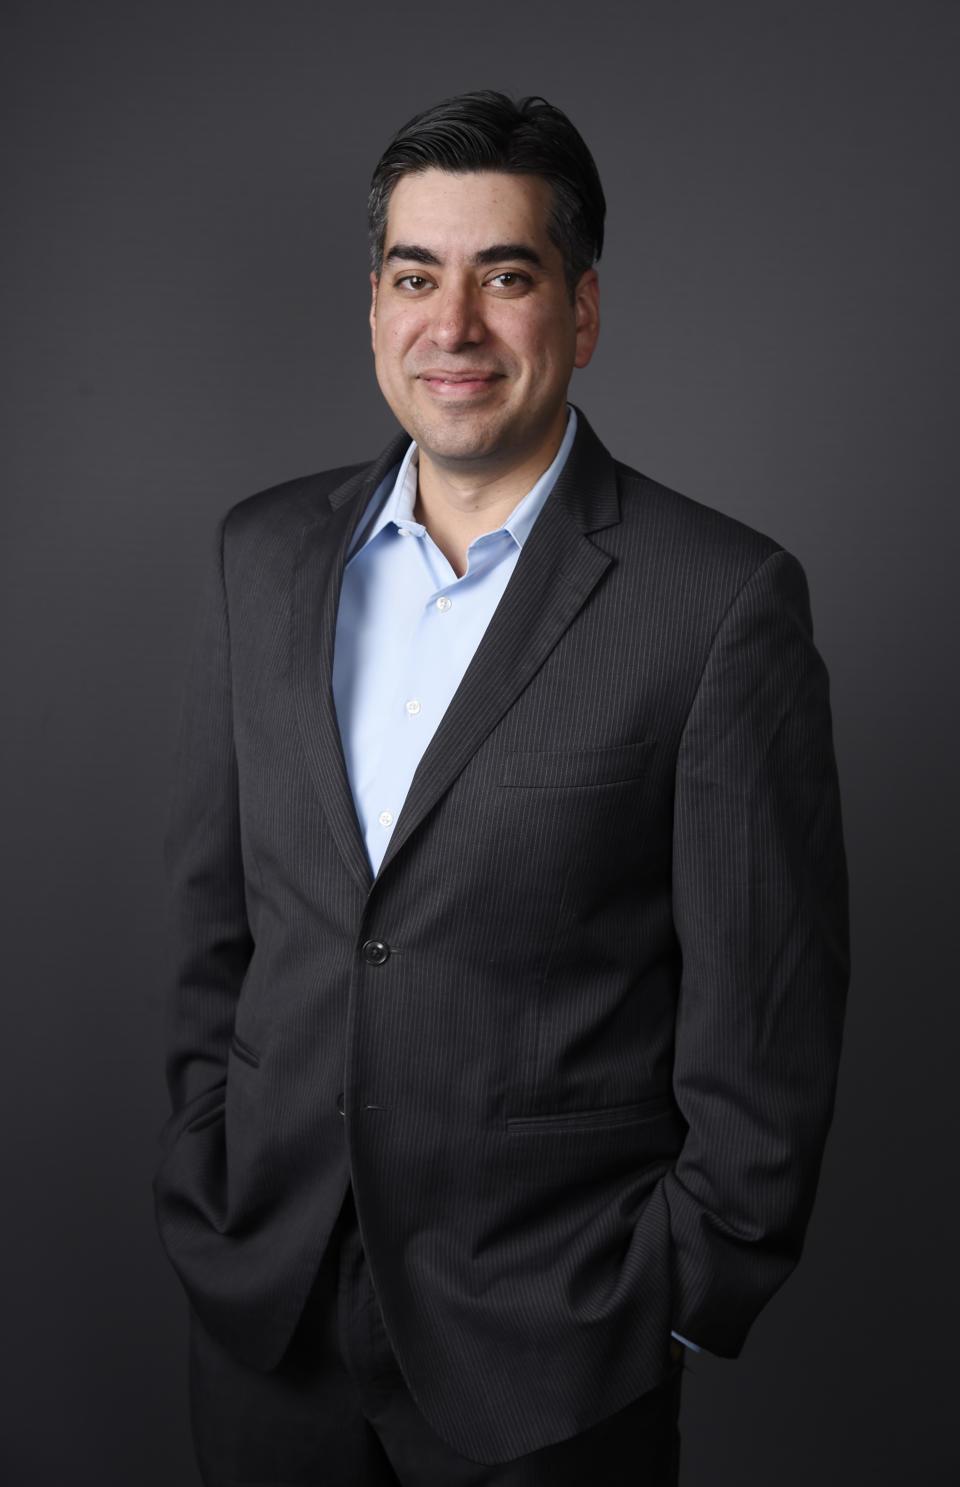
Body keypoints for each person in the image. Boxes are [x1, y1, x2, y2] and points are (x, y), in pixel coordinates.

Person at [155, 91, 849, 1486]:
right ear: (372, 308)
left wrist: (679, 1299)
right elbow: (216, 927)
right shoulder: (262, 557)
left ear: (581, 314)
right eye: (417, 276)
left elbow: (767, 1017)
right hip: (267, 1322)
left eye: (506, 276)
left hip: (550, 1355)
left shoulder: (718, 604)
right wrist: (204, 1176)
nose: (452, 326)